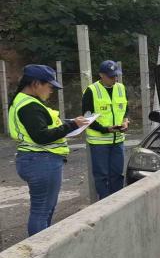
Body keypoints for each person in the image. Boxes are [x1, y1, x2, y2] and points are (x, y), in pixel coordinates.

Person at [9, 65, 89, 236]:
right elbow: (41, 136)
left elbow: (43, 127)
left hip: (37, 160)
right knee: (41, 211)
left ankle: (42, 247)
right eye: (50, 85)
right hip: (41, 162)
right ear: (36, 83)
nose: (51, 90)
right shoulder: (28, 106)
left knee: (45, 209)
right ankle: (39, 253)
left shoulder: (26, 101)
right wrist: (72, 125)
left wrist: (70, 123)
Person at [82, 60, 128, 200]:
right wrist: (105, 129)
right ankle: (104, 204)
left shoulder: (121, 88)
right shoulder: (91, 91)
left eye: (116, 76)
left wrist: (125, 121)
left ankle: (117, 203)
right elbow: (87, 119)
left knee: (117, 174)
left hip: (118, 140)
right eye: (111, 76)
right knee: (102, 176)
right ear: (101, 75)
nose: (114, 79)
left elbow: (125, 109)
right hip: (99, 142)